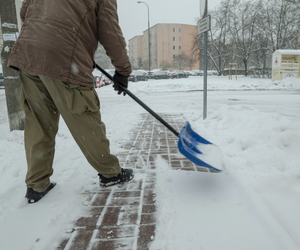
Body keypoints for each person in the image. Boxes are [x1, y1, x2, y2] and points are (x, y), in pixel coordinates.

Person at [8, 0, 134, 203]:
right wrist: (123, 70)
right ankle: (110, 173)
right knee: (84, 118)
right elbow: (110, 31)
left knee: (39, 122)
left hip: (29, 55)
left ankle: (37, 184)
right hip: (64, 57)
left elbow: (26, 12)